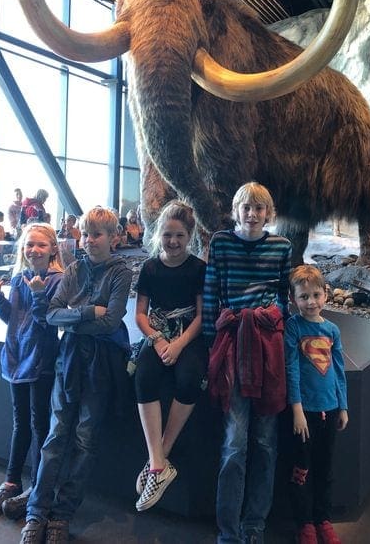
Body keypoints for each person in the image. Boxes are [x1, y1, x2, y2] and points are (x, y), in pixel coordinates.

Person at [19, 207, 132, 544]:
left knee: (84, 438)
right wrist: (86, 312)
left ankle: (62, 513)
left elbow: (112, 321)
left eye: (96, 234)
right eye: (85, 234)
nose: (89, 240)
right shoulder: (73, 268)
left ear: (113, 239)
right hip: (69, 362)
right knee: (56, 438)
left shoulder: (120, 272)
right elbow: (52, 314)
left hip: (99, 364)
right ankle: (36, 512)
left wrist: (72, 316)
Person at [203, 181, 292, 544]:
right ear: (235, 212)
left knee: (266, 442)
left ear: (268, 214)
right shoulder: (220, 242)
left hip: (266, 344)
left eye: (259, 209)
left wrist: (270, 318)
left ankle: (255, 523)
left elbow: (285, 296)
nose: (252, 215)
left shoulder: (281, 246)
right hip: (232, 345)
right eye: (246, 208)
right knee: (235, 442)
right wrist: (214, 339)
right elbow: (211, 290)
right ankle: (228, 531)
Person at [0, 223, 64, 520]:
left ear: (53, 248)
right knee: (21, 423)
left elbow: (49, 322)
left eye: (41, 245)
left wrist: (40, 294)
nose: (34, 250)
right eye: (29, 245)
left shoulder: (58, 280)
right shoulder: (19, 278)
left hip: (41, 362)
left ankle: (38, 485)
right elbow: (13, 319)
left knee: (40, 424)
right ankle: (11, 480)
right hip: (16, 359)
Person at [134, 201, 207, 511]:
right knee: (144, 376)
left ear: (189, 235)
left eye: (179, 235)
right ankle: (158, 463)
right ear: (158, 235)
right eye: (167, 235)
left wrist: (179, 344)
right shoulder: (150, 267)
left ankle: (158, 461)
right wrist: (158, 339)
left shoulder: (199, 269)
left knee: (189, 378)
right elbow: (140, 314)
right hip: (159, 333)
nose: (173, 242)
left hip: (188, 335)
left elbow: (202, 316)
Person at [284, 265, 348, 544]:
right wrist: (296, 408)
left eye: (315, 295)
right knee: (302, 469)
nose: (310, 302)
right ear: (293, 299)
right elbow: (292, 368)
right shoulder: (294, 327)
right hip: (305, 413)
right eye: (303, 297)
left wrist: (343, 406)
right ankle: (304, 522)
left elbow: (338, 370)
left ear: (326, 295)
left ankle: (323, 518)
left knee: (325, 467)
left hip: (330, 408)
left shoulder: (332, 330)